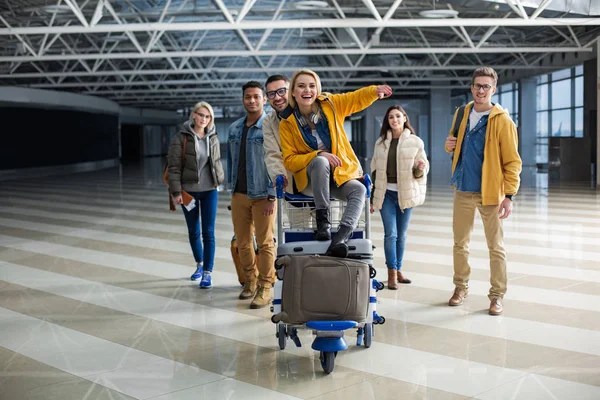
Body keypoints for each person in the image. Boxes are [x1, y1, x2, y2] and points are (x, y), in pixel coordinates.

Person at [279, 68, 392, 258]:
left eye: (312, 86)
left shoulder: (330, 105)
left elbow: (353, 99)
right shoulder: (287, 123)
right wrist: (319, 154)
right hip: (310, 181)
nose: (307, 90)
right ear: (293, 92)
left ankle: (340, 238)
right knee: (321, 162)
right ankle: (323, 223)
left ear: (317, 89)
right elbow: (289, 161)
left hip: (339, 176)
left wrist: (374, 91)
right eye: (301, 86)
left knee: (359, 190)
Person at [445, 66, 522, 316]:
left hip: (490, 192)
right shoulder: (461, 114)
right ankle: (460, 288)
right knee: (460, 244)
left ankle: (497, 296)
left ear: (493, 89)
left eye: (486, 86)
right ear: (471, 87)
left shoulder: (502, 121)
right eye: (477, 85)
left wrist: (509, 195)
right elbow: (454, 143)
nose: (481, 90)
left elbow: (512, 161)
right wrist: (449, 146)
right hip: (463, 189)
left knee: (495, 247)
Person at [227, 81, 276, 309]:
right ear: (243, 99)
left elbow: (277, 161)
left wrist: (272, 194)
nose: (252, 101)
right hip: (239, 192)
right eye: (248, 97)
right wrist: (231, 188)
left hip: (263, 194)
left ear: (264, 99)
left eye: (257, 96)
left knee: (264, 242)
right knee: (243, 242)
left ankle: (265, 286)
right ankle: (250, 280)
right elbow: (232, 160)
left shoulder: (271, 126)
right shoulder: (235, 128)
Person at [370, 105, 429, 290]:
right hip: (386, 193)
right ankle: (391, 273)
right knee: (391, 234)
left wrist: (420, 168)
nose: (394, 120)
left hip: (406, 194)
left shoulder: (416, 142)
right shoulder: (380, 143)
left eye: (397, 116)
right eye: (390, 117)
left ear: (404, 118)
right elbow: (374, 170)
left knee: (401, 235)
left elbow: (422, 169)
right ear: (387, 121)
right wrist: (372, 198)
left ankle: (398, 269)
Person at [167, 101, 224, 289]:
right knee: (193, 231)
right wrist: (176, 192)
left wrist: (220, 181)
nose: (204, 119)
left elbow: (216, 162)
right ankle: (199, 264)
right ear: (194, 115)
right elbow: (174, 167)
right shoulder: (181, 138)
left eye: (208, 117)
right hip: (188, 192)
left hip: (209, 191)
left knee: (208, 232)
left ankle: (208, 272)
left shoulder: (213, 136)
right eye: (201, 115)